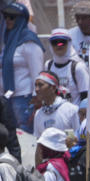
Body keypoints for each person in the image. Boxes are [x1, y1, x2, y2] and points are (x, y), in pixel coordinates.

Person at [1, 2, 43, 132]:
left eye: (12, 17)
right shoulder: (9, 41)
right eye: (6, 16)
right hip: (8, 98)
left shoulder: (29, 41)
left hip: (24, 98)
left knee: (24, 134)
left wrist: (37, 99)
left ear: (21, 19)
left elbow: (38, 73)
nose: (7, 20)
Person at [44, 28, 90, 110]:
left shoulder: (78, 67)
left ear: (69, 43)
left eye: (62, 42)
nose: (59, 45)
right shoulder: (48, 66)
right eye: (55, 42)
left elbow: (85, 97)